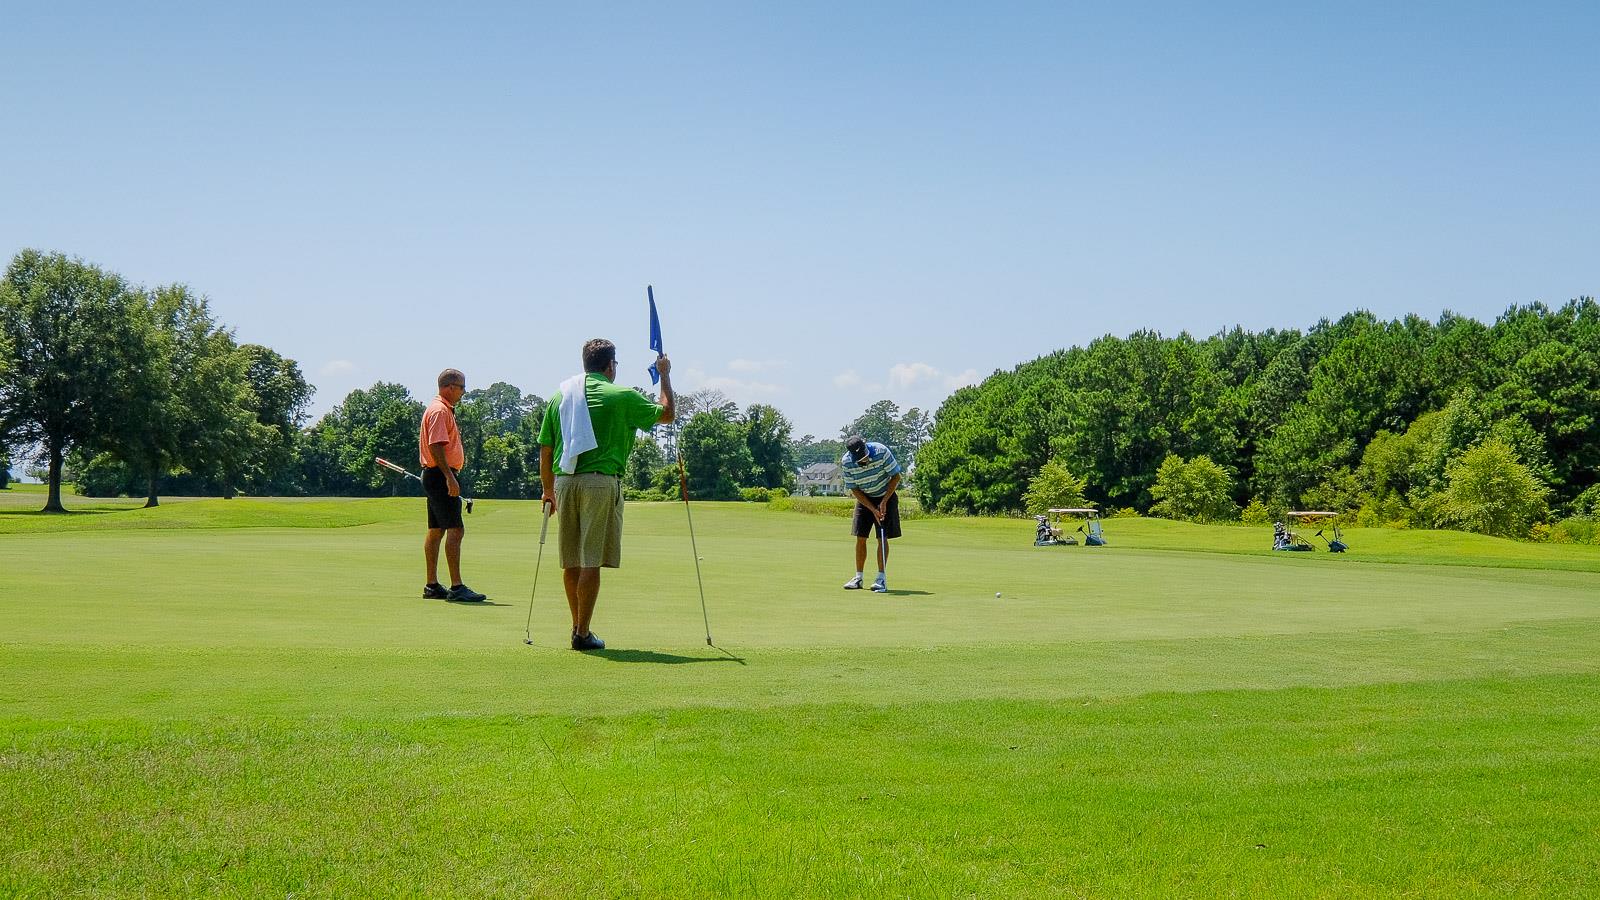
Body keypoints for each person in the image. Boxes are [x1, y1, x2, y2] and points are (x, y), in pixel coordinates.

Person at [538, 339, 674, 650]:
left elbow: (545, 448)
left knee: (571, 560)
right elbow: (666, 414)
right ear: (610, 366)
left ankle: (577, 626)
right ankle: (582, 633)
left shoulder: (561, 396)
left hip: (564, 482)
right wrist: (664, 374)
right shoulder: (622, 395)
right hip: (600, 483)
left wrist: (547, 489)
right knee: (590, 561)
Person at [419, 368, 487, 602]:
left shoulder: (442, 409)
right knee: (455, 529)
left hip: (437, 474)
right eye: (461, 387)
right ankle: (456, 587)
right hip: (440, 475)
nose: (463, 392)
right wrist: (450, 477)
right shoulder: (439, 410)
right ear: (449, 387)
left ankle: (432, 585)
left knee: (436, 530)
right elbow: (436, 445)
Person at [840, 434, 902, 593]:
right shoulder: (847, 462)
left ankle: (880, 578)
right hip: (864, 498)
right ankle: (858, 577)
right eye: (860, 459)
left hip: (885, 494)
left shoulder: (881, 451)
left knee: (882, 537)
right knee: (860, 537)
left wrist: (883, 502)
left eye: (865, 457)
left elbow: (896, 477)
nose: (864, 461)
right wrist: (872, 508)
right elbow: (854, 489)